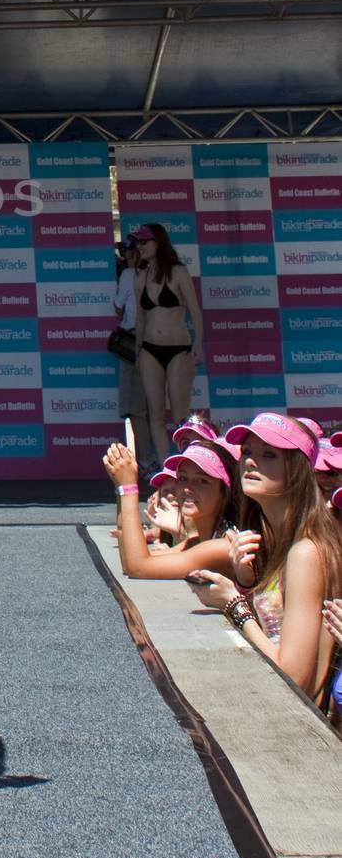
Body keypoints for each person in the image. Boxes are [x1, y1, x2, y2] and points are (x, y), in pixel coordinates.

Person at [189, 413, 342, 708]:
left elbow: (293, 680)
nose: (250, 461)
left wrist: (234, 605)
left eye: (269, 454)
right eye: (247, 451)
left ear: (296, 469)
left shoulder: (306, 551)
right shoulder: (277, 541)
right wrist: (245, 580)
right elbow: (276, 630)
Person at [103, 441, 235, 579]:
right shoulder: (197, 541)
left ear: (225, 492)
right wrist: (120, 486)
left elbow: (138, 568)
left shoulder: (223, 546)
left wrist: (128, 488)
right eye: (182, 478)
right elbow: (128, 562)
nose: (187, 489)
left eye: (202, 481)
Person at [131, 222, 202, 468]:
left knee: (181, 413)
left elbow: (195, 311)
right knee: (156, 413)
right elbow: (141, 318)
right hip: (150, 348)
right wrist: (138, 349)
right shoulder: (140, 276)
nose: (139, 247)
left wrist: (197, 345)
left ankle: (188, 466)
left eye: (144, 241)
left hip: (178, 348)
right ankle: (165, 469)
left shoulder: (179, 272)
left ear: (159, 242)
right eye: (137, 242)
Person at [113, 236, 151, 478]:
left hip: (136, 342)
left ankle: (146, 462)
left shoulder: (130, 274)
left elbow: (118, 307)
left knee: (137, 409)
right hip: (161, 342)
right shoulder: (162, 273)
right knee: (153, 408)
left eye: (125, 251)